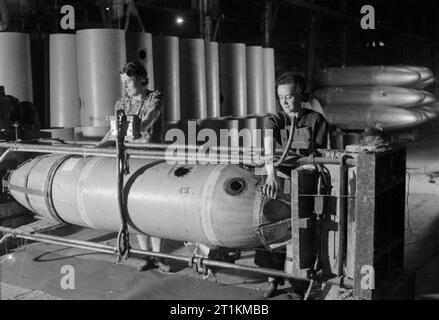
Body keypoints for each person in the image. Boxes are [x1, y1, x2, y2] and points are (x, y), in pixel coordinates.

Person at [256, 72, 328, 298]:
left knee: (300, 234)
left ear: (301, 94)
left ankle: (299, 284)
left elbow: (321, 158)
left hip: (305, 184)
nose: (284, 102)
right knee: (270, 227)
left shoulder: (316, 120)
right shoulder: (275, 119)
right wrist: (270, 174)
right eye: (280, 97)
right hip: (278, 180)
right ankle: (272, 279)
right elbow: (269, 146)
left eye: (288, 97)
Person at [98, 61, 170, 273]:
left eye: (128, 81)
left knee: (154, 207)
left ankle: (159, 256)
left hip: (152, 157)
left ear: (141, 79)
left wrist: (137, 129)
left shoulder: (154, 97)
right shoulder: (121, 102)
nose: (126, 86)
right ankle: (147, 256)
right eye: (123, 82)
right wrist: (99, 145)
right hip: (131, 158)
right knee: (135, 205)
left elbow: (150, 118)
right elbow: (113, 130)